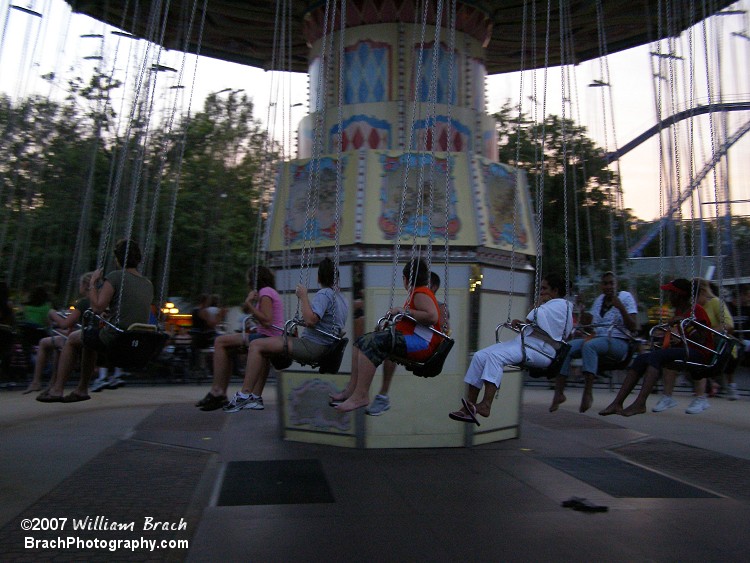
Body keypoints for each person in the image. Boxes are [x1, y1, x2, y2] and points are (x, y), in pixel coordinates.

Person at [223, 257, 348, 413]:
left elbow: (311, 320)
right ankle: (255, 397)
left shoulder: (324, 294)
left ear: (319, 277)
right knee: (265, 350)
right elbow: (326, 323)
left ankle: (245, 394)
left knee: (256, 345)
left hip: (312, 347)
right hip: (322, 347)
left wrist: (303, 296)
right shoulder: (342, 298)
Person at [38, 239, 153, 403]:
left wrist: (92, 283)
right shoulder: (147, 283)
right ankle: (81, 390)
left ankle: (57, 389)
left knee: (71, 339)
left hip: (116, 337)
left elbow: (97, 307)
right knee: (88, 339)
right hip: (136, 338)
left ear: (118, 259)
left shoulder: (115, 277)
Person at [449, 273, 573, 424]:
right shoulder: (550, 306)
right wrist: (521, 324)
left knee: (496, 357)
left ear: (555, 291)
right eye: (540, 288)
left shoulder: (561, 305)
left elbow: (534, 318)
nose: (540, 291)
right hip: (528, 344)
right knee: (480, 356)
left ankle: (486, 404)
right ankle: (469, 406)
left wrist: (538, 304)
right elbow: (539, 325)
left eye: (544, 288)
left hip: (543, 351)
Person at [335, 258, 442, 413]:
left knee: (371, 343)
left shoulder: (420, 293)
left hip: (423, 345)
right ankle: (352, 390)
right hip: (416, 340)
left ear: (406, 279)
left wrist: (402, 310)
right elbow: (413, 322)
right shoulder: (419, 294)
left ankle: (361, 395)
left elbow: (432, 316)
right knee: (361, 342)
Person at [599, 278, 713, 417]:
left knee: (655, 357)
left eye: (670, 293)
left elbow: (700, 339)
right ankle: (617, 402)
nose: (668, 297)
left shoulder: (696, 310)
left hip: (699, 353)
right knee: (641, 359)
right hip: (685, 350)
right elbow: (682, 338)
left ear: (678, 295)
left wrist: (684, 324)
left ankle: (640, 403)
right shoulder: (679, 311)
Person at [195, 266, 285, 411]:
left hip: (267, 336)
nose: (247, 283)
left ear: (255, 280)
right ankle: (220, 393)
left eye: (248, 279)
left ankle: (217, 391)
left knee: (220, 341)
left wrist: (249, 304)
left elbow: (267, 321)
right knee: (228, 349)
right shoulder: (268, 292)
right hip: (267, 334)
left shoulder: (265, 292)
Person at [550, 271, 638, 413]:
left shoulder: (625, 297)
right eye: (605, 283)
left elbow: (634, 327)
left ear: (617, 284)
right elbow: (589, 324)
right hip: (599, 338)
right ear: (601, 286)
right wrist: (582, 308)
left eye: (611, 283)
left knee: (589, 346)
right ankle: (559, 393)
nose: (608, 286)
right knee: (566, 347)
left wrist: (621, 307)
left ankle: (588, 393)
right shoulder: (599, 300)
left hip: (618, 341)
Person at [365, 271, 450, 416]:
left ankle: (378, 394)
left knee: (386, 344)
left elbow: (441, 328)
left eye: (425, 284)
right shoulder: (416, 302)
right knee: (384, 343)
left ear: (433, 287)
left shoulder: (439, 307)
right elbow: (408, 325)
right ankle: (378, 394)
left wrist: (413, 315)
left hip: (427, 348)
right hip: (412, 339)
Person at [654, 278, 734, 414]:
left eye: (671, 293)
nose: (669, 297)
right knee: (669, 356)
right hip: (691, 345)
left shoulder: (703, 307)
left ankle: (700, 396)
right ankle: (668, 395)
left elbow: (725, 327)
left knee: (692, 358)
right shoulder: (682, 311)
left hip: (709, 347)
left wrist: (704, 330)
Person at [23, 272, 93, 394]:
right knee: (58, 342)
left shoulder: (84, 303)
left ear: (85, 285)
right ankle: (52, 382)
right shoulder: (97, 302)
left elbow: (65, 324)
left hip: (82, 338)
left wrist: (52, 314)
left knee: (44, 342)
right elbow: (71, 328)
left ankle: (37, 381)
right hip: (83, 334)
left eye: (80, 284)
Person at [726, 284, 749, 400]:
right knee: (733, 353)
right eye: (746, 295)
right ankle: (731, 385)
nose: (748, 298)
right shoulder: (728, 308)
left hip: (747, 340)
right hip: (733, 339)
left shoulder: (747, 309)